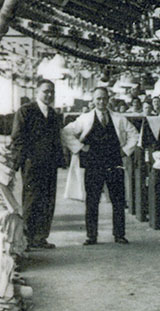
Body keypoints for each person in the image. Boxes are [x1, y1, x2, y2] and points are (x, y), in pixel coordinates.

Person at [61, 86, 139, 245]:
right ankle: (91, 236)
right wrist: (81, 147)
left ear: (108, 99)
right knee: (92, 201)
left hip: (114, 163)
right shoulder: (85, 118)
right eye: (98, 99)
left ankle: (119, 235)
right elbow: (66, 132)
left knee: (118, 200)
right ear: (93, 100)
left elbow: (135, 134)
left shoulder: (119, 118)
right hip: (93, 164)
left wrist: (125, 151)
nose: (101, 102)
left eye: (104, 98)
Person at [9, 79, 65, 249]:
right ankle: (26, 238)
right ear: (37, 92)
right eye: (45, 91)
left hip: (50, 164)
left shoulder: (54, 115)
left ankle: (40, 237)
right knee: (32, 200)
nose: (49, 95)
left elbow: (57, 140)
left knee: (48, 200)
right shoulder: (26, 111)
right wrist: (21, 161)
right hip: (32, 163)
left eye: (51, 92)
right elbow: (17, 137)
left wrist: (59, 160)